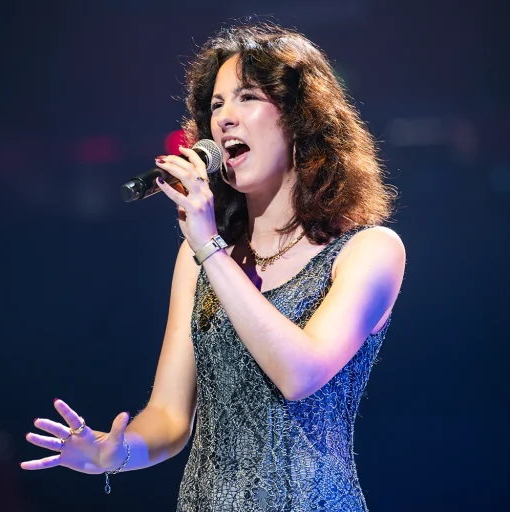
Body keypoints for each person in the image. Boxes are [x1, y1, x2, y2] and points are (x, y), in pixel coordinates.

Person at [21, 22, 405, 511]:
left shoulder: (368, 250)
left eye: (246, 97)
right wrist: (111, 453)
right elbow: (168, 416)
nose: (224, 118)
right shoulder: (198, 258)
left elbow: (300, 373)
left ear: (299, 117)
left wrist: (210, 248)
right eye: (216, 104)